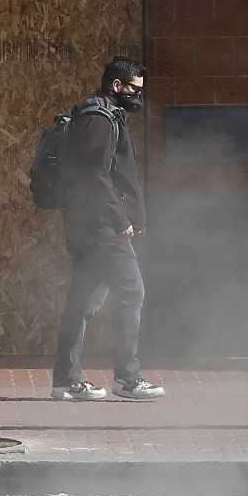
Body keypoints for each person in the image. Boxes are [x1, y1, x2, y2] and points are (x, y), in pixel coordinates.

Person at [49, 56, 165, 401]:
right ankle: (127, 380)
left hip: (90, 225)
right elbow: (94, 175)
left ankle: (66, 381)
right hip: (101, 228)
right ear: (117, 85)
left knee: (82, 301)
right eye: (134, 90)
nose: (138, 97)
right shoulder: (98, 120)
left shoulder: (103, 115)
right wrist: (121, 219)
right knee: (132, 292)